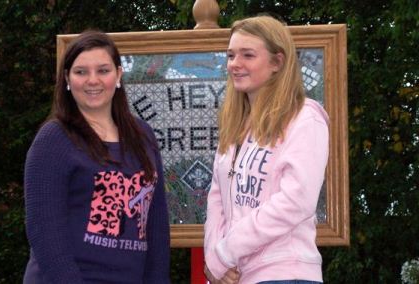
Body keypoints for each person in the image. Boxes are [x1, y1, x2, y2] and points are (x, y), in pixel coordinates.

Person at [23, 30, 170, 283]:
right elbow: (44, 232)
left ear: (119, 75)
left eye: (103, 70)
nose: (93, 80)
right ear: (67, 79)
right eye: (81, 72)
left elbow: (156, 227)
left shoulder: (143, 136)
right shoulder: (54, 140)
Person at [204, 15, 329, 284]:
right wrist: (215, 259)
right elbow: (217, 197)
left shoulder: (305, 118)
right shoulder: (235, 124)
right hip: (240, 275)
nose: (235, 64)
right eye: (230, 55)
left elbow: (296, 201)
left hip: (285, 273)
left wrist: (226, 252)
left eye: (248, 55)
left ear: (277, 62)